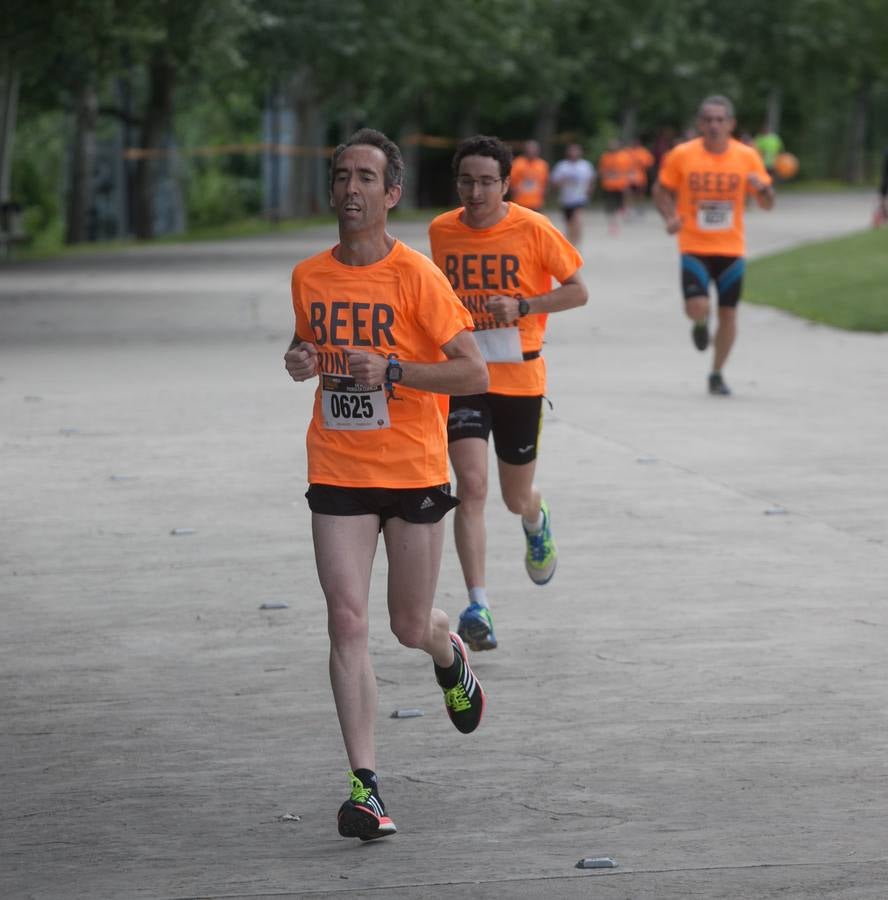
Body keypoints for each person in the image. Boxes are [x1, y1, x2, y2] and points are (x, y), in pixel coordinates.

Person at [284, 128, 489, 841]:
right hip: (337, 466)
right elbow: (312, 344)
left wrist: (395, 371)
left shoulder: (417, 278)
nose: (350, 188)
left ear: (391, 193)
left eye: (366, 177)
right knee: (346, 620)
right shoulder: (309, 276)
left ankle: (448, 651)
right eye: (342, 175)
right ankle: (364, 787)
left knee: (408, 625)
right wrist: (302, 358)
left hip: (412, 472)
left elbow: (473, 372)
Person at [428, 135, 588, 652]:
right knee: (469, 487)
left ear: (505, 184)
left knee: (514, 494)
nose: (475, 191)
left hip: (520, 380)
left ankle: (535, 519)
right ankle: (479, 605)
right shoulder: (442, 232)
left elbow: (578, 290)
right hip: (465, 380)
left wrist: (522, 307)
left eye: (486, 182)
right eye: (466, 181)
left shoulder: (533, 227)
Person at [652, 95, 775, 396]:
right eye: (708, 119)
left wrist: (764, 190)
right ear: (700, 123)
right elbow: (660, 189)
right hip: (693, 243)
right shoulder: (682, 154)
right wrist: (670, 216)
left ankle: (717, 373)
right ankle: (699, 322)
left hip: (731, 248)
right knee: (696, 306)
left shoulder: (747, 156)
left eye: (720, 119)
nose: (714, 125)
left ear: (731, 124)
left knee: (729, 314)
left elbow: (768, 203)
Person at [549, 141, 596, 246]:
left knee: (578, 220)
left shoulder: (585, 165)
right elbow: (554, 183)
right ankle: (570, 243)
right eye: (572, 150)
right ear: (568, 152)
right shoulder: (562, 166)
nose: (574, 153)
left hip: (580, 198)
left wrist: (589, 191)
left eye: (576, 150)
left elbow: (591, 179)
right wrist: (563, 181)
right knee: (569, 224)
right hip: (566, 199)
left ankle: (576, 243)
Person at [597, 139, 634, 233]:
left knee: (619, 205)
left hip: (621, 185)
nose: (613, 147)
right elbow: (601, 171)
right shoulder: (605, 157)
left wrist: (628, 181)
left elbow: (630, 169)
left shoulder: (624, 156)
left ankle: (618, 221)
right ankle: (613, 224)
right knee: (610, 206)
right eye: (611, 145)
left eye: (615, 144)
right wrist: (608, 174)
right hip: (609, 185)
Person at [508, 139, 549, 211]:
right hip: (520, 202)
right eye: (529, 148)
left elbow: (545, 183)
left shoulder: (542, 165)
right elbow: (511, 182)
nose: (531, 151)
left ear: (538, 151)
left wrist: (543, 198)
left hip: (536, 203)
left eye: (534, 149)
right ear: (525, 150)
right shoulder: (517, 163)